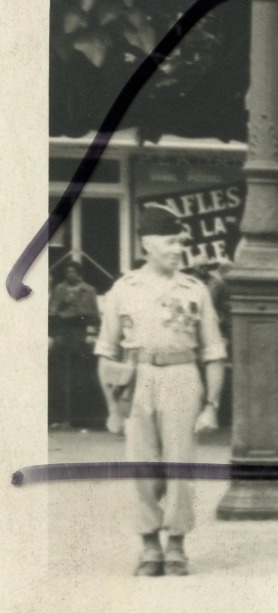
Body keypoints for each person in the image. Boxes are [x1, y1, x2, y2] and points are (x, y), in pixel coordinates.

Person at [94, 206, 227, 576]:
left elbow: (214, 353)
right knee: (141, 466)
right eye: (170, 242)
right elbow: (105, 353)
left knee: (180, 466)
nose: (178, 249)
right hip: (137, 380)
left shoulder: (195, 289)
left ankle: (177, 545)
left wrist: (212, 405)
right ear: (148, 244)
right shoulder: (124, 289)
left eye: (180, 242)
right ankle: (150, 545)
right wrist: (112, 409)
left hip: (183, 376)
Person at [49, 260, 102, 428]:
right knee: (60, 376)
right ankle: (59, 417)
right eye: (67, 271)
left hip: (80, 336)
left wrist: (90, 334)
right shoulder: (59, 289)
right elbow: (52, 312)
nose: (70, 274)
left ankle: (80, 418)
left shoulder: (89, 290)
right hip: (62, 336)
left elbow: (94, 317)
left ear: (79, 273)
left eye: (73, 271)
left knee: (80, 376)